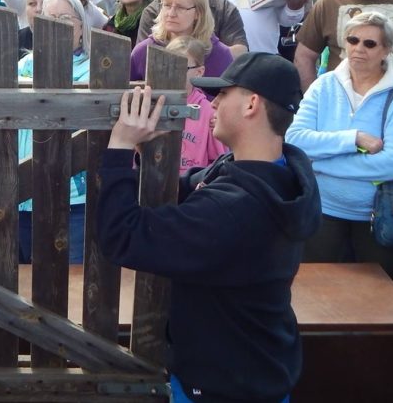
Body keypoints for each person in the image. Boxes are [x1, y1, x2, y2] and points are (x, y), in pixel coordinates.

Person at [98, 56, 320, 403]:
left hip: (224, 386)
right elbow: (186, 189)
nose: (213, 103)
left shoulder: (233, 210)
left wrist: (120, 146)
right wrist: (144, 156)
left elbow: (121, 236)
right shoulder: (278, 172)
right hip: (257, 366)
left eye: (223, 94)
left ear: (251, 104)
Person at [287, 11, 393, 276]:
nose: (359, 48)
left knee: (381, 302)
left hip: (381, 216)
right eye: (353, 40)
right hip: (322, 211)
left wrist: (321, 164)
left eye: (370, 43)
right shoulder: (322, 85)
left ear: (386, 50)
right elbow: (295, 140)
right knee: (317, 296)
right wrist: (353, 139)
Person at [16, 0, 94, 264]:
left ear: (81, 28)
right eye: (49, 19)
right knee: (26, 279)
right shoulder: (22, 67)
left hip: (73, 198)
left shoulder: (94, 69)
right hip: (23, 194)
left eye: (65, 19)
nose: (57, 25)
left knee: (69, 279)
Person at [131, 0, 232, 81]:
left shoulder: (220, 55)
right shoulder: (143, 51)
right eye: (167, 5)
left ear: (198, 12)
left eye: (180, 7)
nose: (171, 13)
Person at [163, 37, 227, 169]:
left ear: (199, 72)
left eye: (180, 66)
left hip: (190, 186)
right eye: (167, 65)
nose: (172, 72)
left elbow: (218, 162)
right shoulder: (151, 103)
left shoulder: (209, 112)